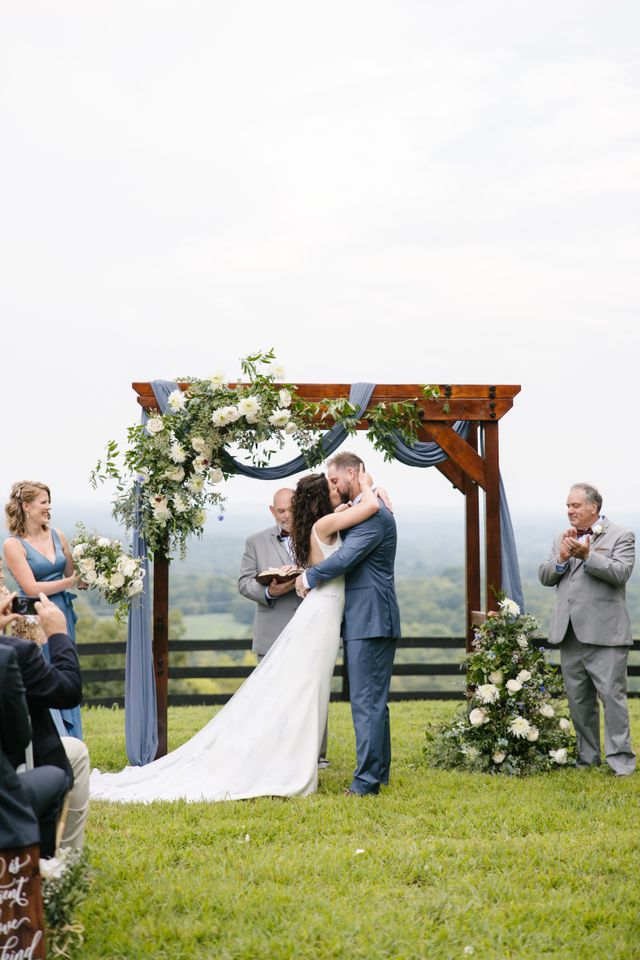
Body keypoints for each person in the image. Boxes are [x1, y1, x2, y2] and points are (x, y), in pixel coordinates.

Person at [89, 469, 381, 802]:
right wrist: (370, 486)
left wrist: (365, 494)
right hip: (321, 615)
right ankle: (292, 763)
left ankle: (301, 756)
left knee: (308, 688)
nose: (335, 490)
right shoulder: (324, 526)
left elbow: (352, 508)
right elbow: (368, 506)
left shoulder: (325, 522)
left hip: (322, 614)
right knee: (304, 688)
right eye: (330, 486)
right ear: (320, 500)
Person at [296, 452, 400, 797]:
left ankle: (366, 783)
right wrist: (374, 489)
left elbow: (345, 558)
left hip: (370, 619)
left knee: (366, 702)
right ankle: (378, 774)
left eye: (336, 479)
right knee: (373, 701)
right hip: (368, 617)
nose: (334, 487)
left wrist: (309, 576)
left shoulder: (374, 516)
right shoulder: (365, 508)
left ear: (353, 473)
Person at [538, 483, 636, 776]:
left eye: (576, 506)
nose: (570, 511)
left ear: (594, 507)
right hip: (569, 634)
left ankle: (621, 763)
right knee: (579, 701)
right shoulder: (561, 538)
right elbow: (545, 576)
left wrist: (586, 555)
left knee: (612, 699)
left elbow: (620, 573)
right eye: (568, 506)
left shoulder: (622, 535)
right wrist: (562, 559)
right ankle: (587, 758)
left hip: (606, 635)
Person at [237, 488, 334, 766]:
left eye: (291, 510)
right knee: (270, 696)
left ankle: (317, 756)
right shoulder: (254, 542)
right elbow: (244, 582)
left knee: (312, 693)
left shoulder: (316, 536)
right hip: (272, 629)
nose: (287, 516)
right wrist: (270, 592)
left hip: (310, 629)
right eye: (281, 511)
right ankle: (273, 753)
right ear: (272, 511)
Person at [0, 592, 90, 849]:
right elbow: (68, 691)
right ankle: (66, 861)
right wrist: (59, 635)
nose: (7, 594)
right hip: (12, 776)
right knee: (75, 754)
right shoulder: (14, 653)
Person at [3, 480, 82, 739]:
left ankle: (74, 741)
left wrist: (95, 571)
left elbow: (75, 577)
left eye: (50, 502)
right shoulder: (13, 545)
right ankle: (52, 743)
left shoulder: (58, 535)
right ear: (26, 506)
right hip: (33, 616)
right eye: (44, 502)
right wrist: (69, 582)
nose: (49, 507)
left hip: (62, 612)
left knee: (66, 666)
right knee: (44, 674)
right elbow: (30, 585)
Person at [0, 602, 67, 859]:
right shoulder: (8, 657)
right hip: (6, 796)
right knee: (58, 774)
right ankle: (46, 867)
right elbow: (19, 740)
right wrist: (59, 635)